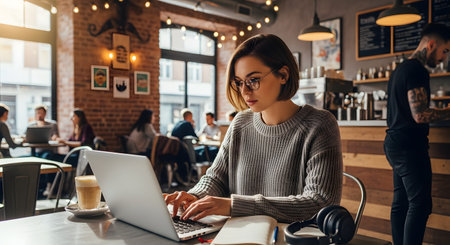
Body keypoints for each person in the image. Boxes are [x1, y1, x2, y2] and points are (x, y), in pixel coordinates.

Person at [164, 34, 343, 223]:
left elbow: (320, 203)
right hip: (238, 236)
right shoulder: (241, 123)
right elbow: (216, 178)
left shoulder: (320, 125)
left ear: (283, 75)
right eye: (239, 82)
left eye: (254, 80)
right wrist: (195, 197)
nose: (244, 91)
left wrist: (232, 206)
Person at [384, 23, 450, 245]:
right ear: (431, 44)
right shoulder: (417, 70)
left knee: (401, 203)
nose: (444, 58)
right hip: (409, 146)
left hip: (394, 142)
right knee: (420, 204)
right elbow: (420, 115)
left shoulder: (400, 70)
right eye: (445, 51)